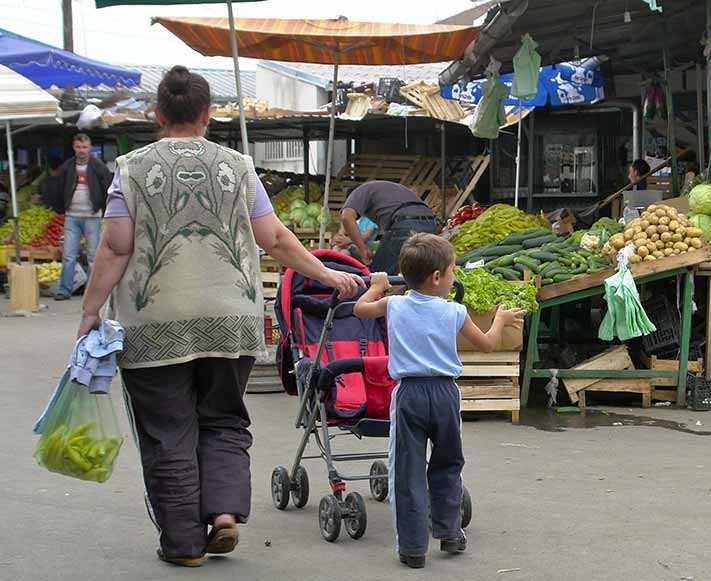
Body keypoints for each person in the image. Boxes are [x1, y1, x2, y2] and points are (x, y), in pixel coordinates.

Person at [76, 65, 364, 568]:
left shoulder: (132, 168)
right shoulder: (238, 166)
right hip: (231, 321)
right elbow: (273, 238)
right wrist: (328, 275)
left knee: (169, 431)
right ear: (209, 115)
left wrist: (89, 310)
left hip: (153, 324)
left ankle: (185, 545)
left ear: (158, 113)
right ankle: (225, 514)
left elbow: (115, 245)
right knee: (225, 421)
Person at [354, 233, 524, 569]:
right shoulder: (455, 312)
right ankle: (450, 532)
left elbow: (360, 309)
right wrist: (501, 321)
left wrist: (377, 284)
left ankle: (414, 548)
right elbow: (488, 344)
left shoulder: (395, 304)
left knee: (407, 471)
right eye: (452, 272)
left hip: (409, 395)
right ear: (437, 277)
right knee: (448, 464)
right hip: (445, 395)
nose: (453, 278)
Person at [54, 134, 111, 300]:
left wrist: (102, 209)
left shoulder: (98, 166)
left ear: (90, 147)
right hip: (72, 216)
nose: (82, 150)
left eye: (85, 147)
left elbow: (107, 187)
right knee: (68, 255)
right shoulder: (67, 167)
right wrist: (63, 208)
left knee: (94, 256)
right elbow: (60, 188)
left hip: (92, 216)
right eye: (79, 147)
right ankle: (65, 290)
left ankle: (92, 292)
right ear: (74, 147)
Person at [339, 180, 437, 274]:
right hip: (429, 222)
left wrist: (363, 249)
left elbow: (347, 217)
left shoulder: (358, 192)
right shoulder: (385, 190)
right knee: (415, 271)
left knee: (379, 275)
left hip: (405, 222)